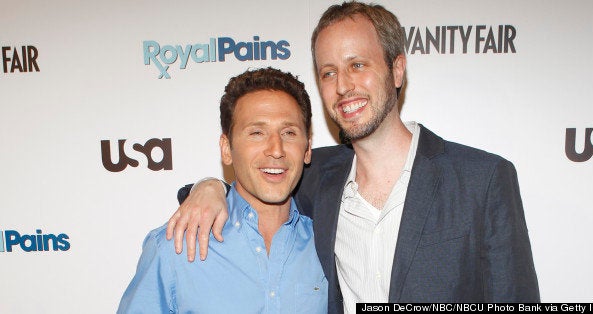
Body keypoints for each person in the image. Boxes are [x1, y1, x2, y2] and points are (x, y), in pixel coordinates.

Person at [168, 2, 540, 313]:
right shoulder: (313, 174)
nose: (343, 85)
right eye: (329, 72)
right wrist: (209, 187)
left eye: (357, 65)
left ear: (396, 69)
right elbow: (251, 181)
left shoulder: (483, 179)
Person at [118, 68, 327, 313]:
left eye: (289, 133)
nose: (276, 149)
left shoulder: (328, 245)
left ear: (307, 148)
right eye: (257, 133)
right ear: (226, 148)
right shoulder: (174, 248)